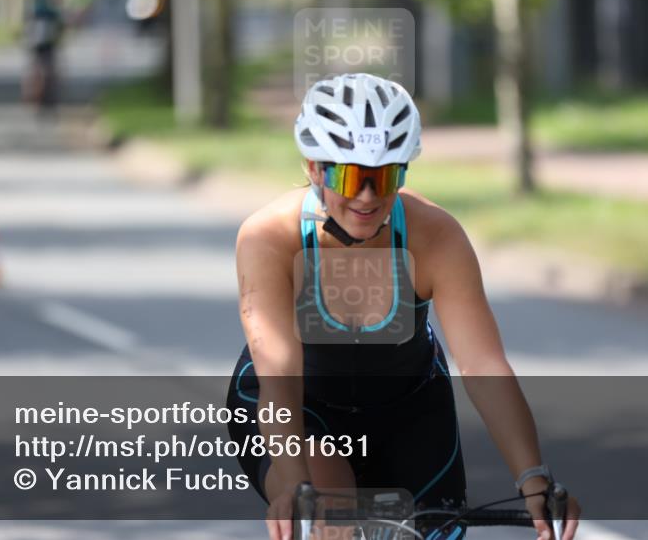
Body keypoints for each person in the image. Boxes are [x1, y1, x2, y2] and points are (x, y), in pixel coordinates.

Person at [226, 73, 580, 540]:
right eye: (352, 175)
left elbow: (482, 364)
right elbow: (280, 376)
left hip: (408, 407)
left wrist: (534, 478)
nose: (368, 196)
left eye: (385, 175)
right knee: (332, 509)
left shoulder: (435, 235)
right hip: (299, 407)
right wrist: (293, 482)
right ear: (313, 167)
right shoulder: (270, 237)